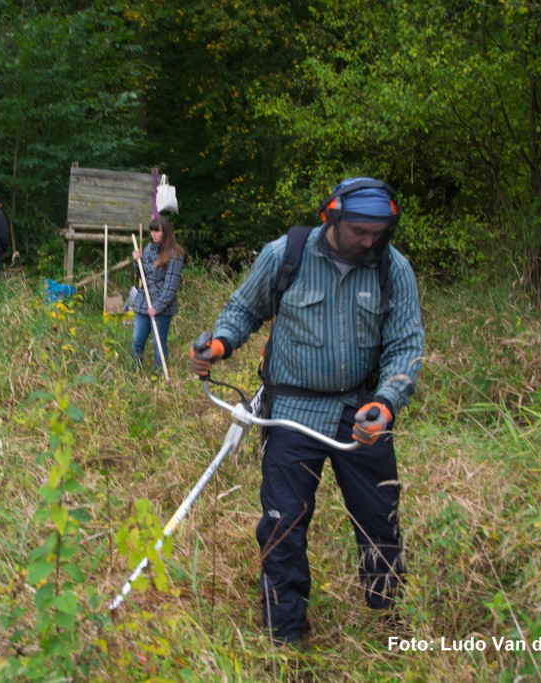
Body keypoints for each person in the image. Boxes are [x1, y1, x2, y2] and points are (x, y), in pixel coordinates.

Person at [189, 177, 424, 648]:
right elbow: (243, 310)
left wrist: (386, 403)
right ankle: (286, 634)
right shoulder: (285, 256)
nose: (369, 240)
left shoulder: (392, 268)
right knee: (283, 524)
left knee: (380, 516)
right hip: (290, 412)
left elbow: (406, 345)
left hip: (359, 411)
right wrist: (218, 344)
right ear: (332, 220)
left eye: (378, 231)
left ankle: (390, 618)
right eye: (360, 230)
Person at [130, 215, 184, 370]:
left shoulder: (175, 254)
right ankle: (135, 370)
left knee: (158, 342)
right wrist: (136, 261)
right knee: (137, 340)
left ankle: (159, 373)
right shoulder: (148, 249)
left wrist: (157, 307)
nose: (153, 234)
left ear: (165, 232)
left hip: (162, 306)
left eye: (157, 231)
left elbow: (170, 287)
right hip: (143, 301)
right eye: (152, 231)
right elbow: (141, 275)